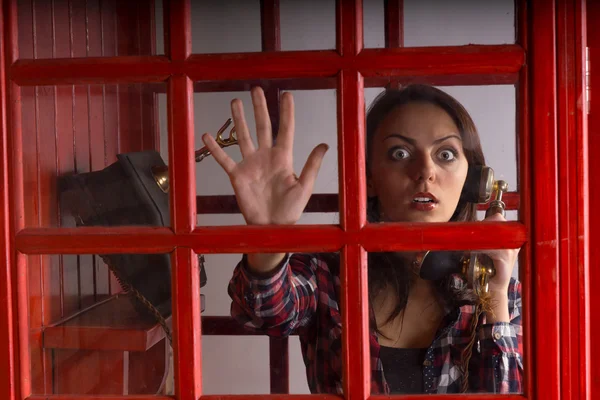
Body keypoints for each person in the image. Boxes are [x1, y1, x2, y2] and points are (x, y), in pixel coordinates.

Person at [201, 84, 523, 395]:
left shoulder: (505, 297)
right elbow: (265, 310)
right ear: (369, 177)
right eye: (400, 152)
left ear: (474, 181)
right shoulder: (329, 277)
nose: (425, 171)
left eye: (446, 154)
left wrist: (494, 297)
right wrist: (269, 237)